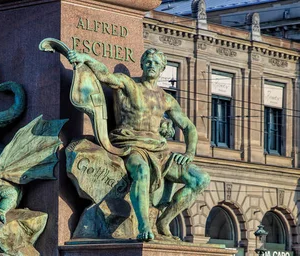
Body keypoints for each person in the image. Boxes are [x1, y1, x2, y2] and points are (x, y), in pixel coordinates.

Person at [66, 47, 211, 241]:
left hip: (160, 151)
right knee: (142, 172)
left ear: (162, 69)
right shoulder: (128, 84)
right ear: (142, 64)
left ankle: (163, 222)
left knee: (200, 180)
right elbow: (105, 75)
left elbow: (189, 127)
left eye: (156, 63)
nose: (152, 66)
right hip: (130, 145)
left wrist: (189, 153)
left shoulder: (166, 98)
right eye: (148, 62)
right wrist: (85, 58)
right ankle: (144, 226)